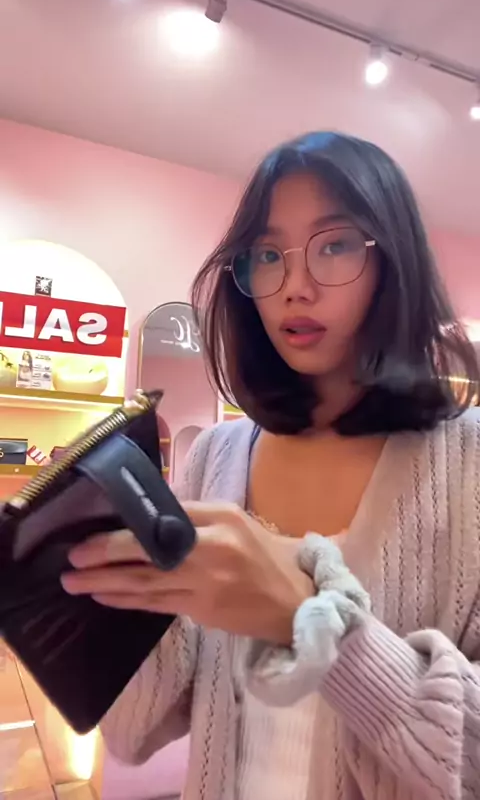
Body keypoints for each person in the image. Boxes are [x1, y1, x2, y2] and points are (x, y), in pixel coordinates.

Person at [61, 132, 480, 800]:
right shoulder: (215, 456)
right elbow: (133, 732)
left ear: (393, 261)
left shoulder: (469, 466)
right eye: (266, 255)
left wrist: (309, 621)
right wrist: (102, 592)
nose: (295, 287)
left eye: (334, 245)